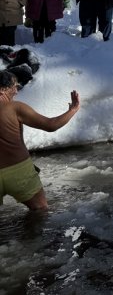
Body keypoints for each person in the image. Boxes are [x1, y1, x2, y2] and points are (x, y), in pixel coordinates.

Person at [0, 70, 80, 210]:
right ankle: (32, 233)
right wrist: (73, 110)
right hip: (19, 171)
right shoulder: (14, 107)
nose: (16, 91)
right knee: (40, 211)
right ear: (2, 89)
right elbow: (51, 125)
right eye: (14, 87)